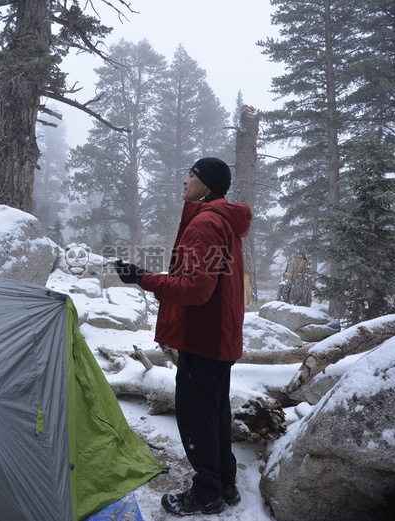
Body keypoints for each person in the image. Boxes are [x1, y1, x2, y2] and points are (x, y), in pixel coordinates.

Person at [115, 157, 252, 516]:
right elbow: (207, 280)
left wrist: (143, 278)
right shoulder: (222, 221)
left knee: (196, 418)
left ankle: (207, 494)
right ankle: (225, 484)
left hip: (203, 338)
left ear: (207, 183)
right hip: (219, 335)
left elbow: (195, 289)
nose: (185, 179)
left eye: (191, 174)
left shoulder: (205, 223)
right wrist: (163, 284)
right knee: (215, 413)